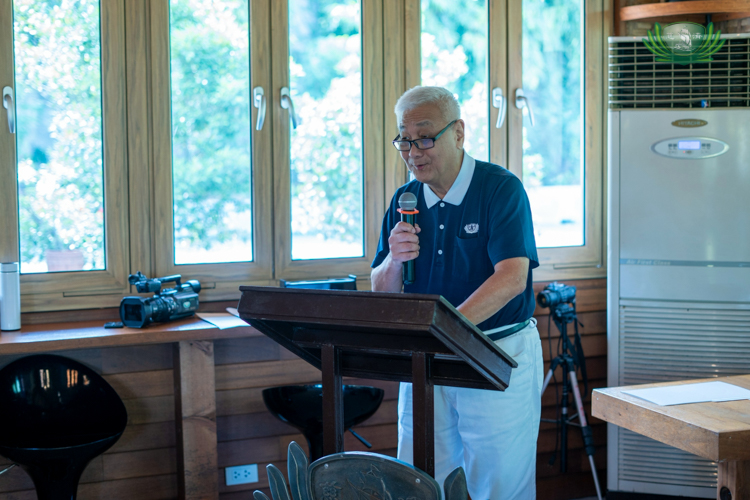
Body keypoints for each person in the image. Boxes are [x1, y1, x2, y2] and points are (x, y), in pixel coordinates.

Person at [370, 86, 543, 499]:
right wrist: (395, 260)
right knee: (419, 481)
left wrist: (447, 329)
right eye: (404, 140)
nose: (413, 151)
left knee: (497, 487)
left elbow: (512, 277)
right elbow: (381, 289)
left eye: (424, 137)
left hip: (495, 356)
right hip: (424, 362)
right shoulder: (404, 200)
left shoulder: (499, 189)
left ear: (459, 133)